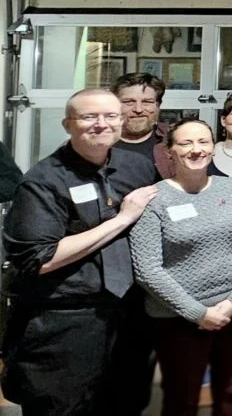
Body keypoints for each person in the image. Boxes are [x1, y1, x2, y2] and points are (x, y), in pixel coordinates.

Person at [2, 89, 162, 415]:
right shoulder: (43, 181)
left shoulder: (137, 167)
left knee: (126, 404)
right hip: (65, 323)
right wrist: (123, 218)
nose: (101, 124)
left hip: (129, 317)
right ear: (68, 124)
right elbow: (40, 258)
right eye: (89, 116)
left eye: (110, 116)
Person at [131, 120, 232, 416]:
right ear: (170, 151)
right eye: (186, 143)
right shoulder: (153, 199)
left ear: (213, 148)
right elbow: (147, 269)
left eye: (203, 142)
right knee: (182, 400)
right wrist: (199, 313)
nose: (196, 150)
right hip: (178, 318)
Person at [113, 72, 175, 178]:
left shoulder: (175, 141)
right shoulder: (99, 143)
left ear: (158, 106)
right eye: (129, 102)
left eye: (147, 102)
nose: (138, 109)